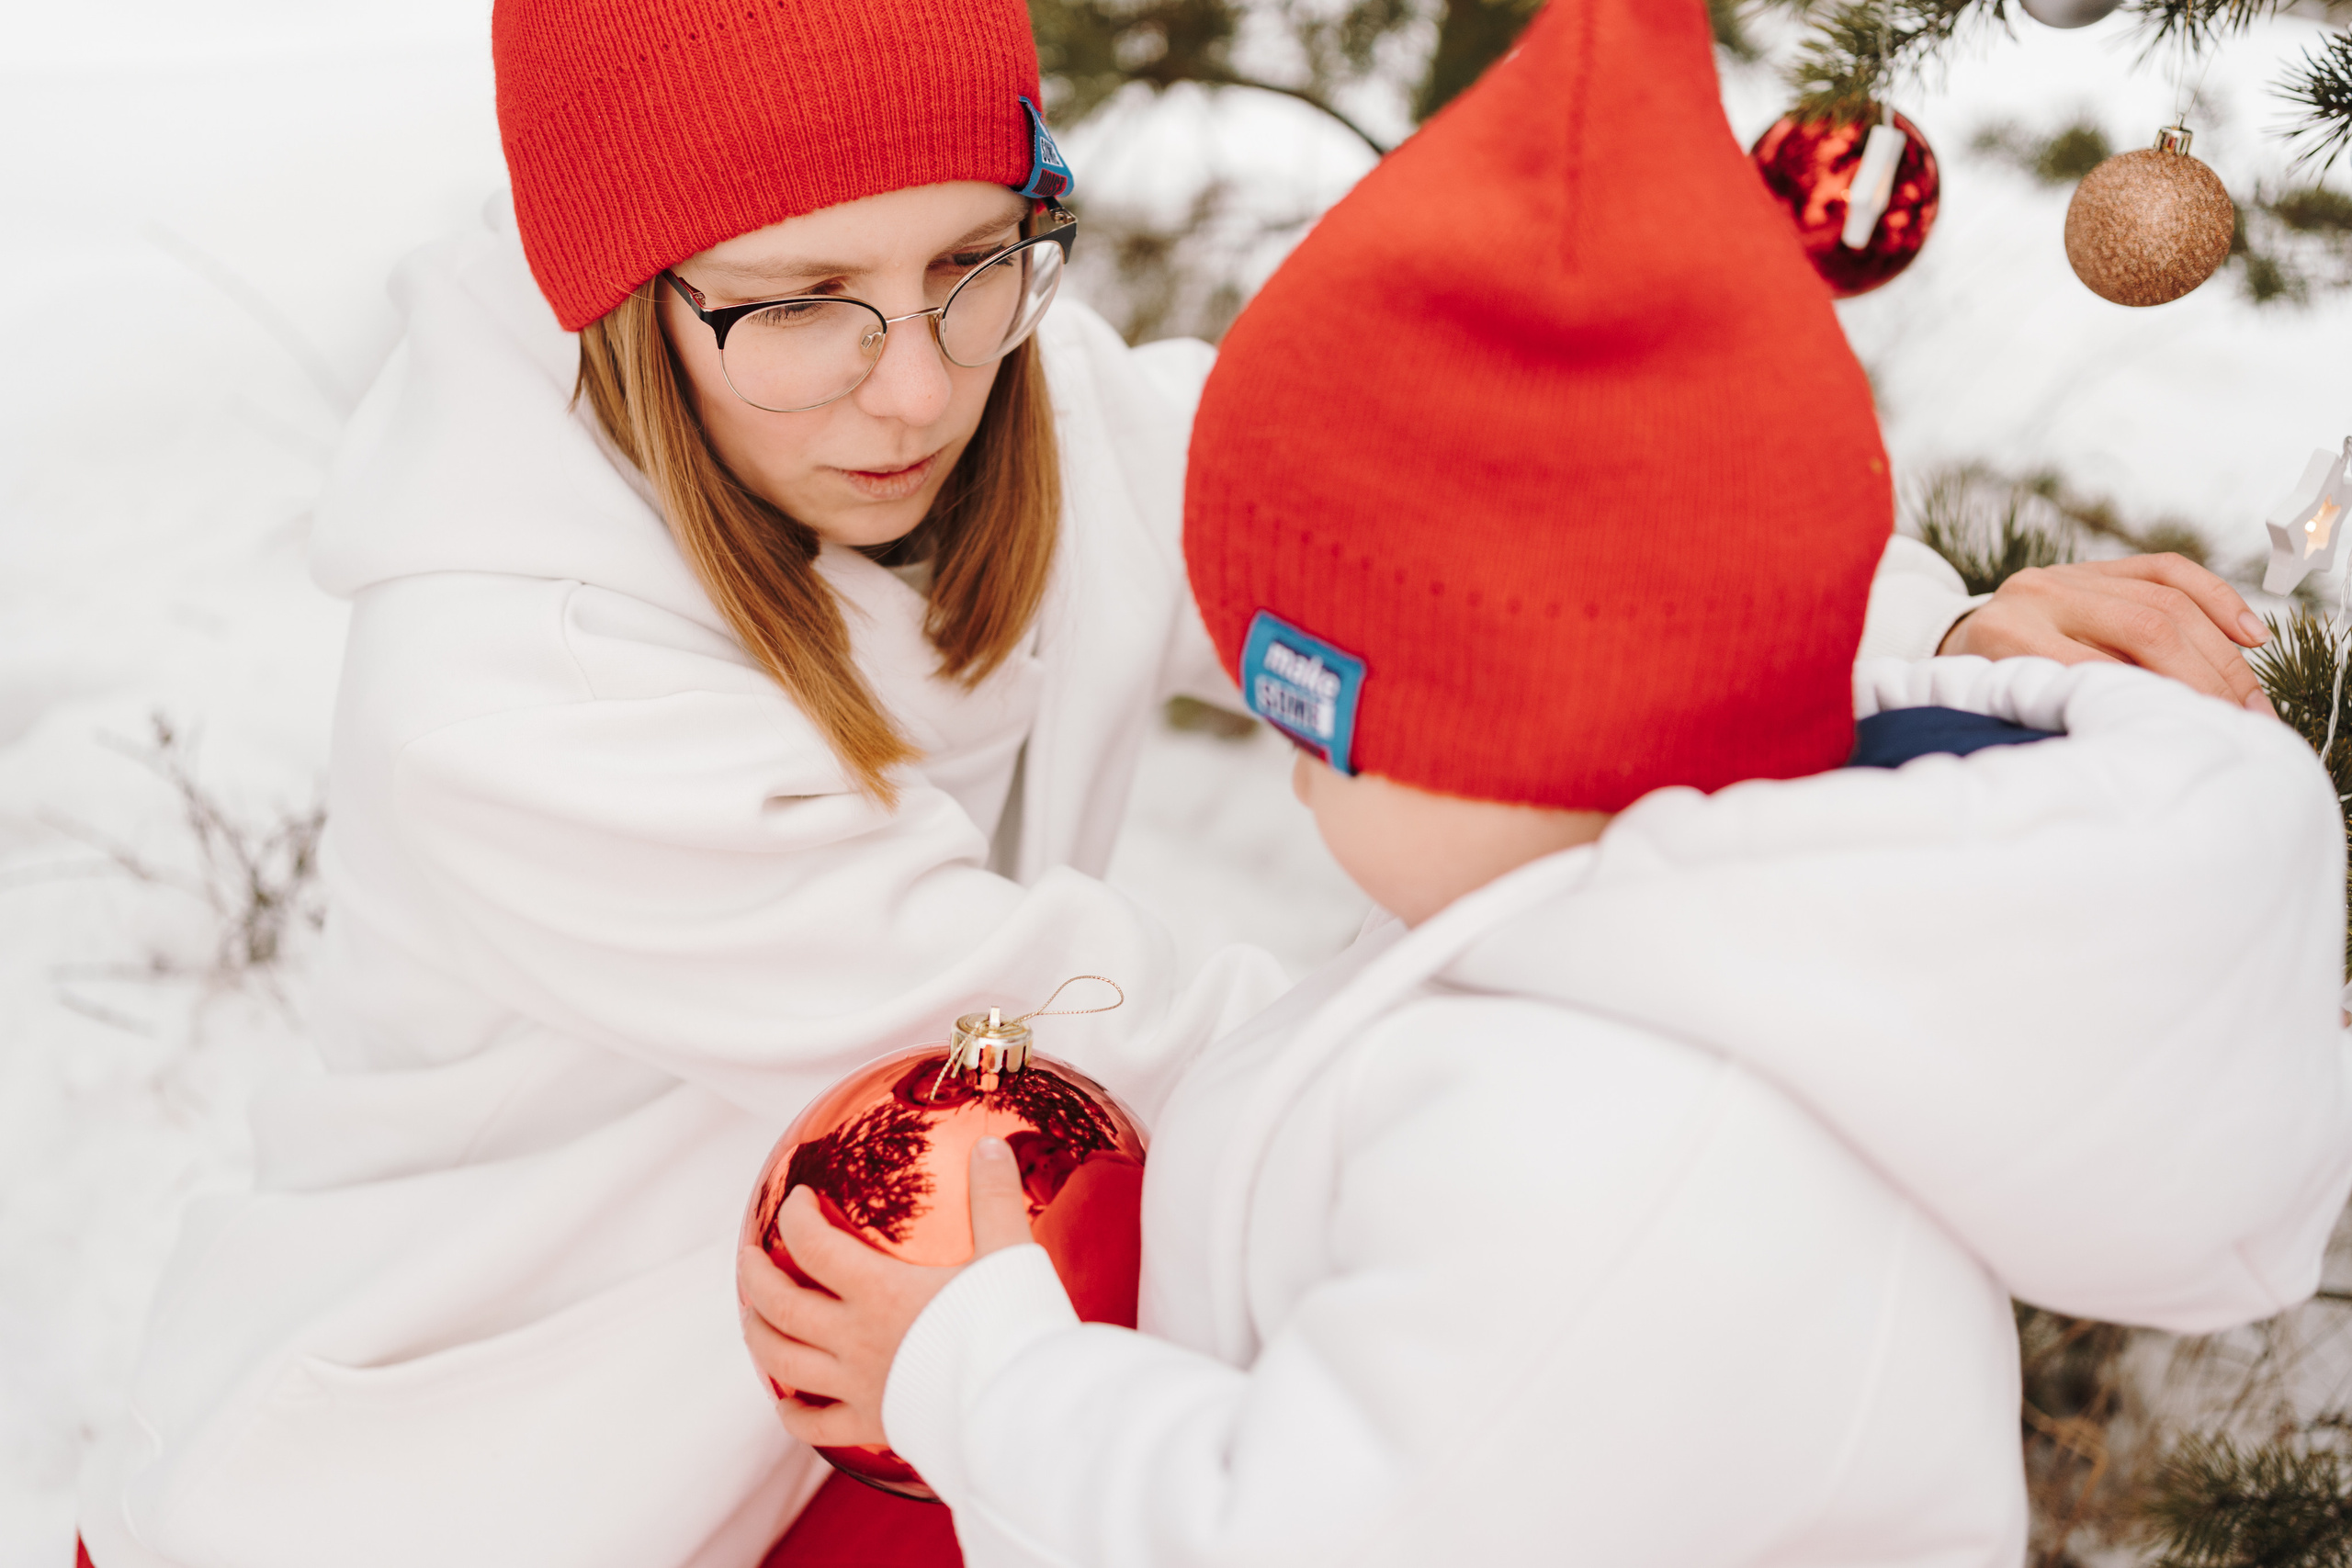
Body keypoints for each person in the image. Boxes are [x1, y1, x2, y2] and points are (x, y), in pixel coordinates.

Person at [74, 0, 2288, 1563]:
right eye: (805, 302)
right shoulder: (511, 689)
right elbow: (1068, 1022)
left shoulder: (1046, 438)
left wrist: (1909, 640)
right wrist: (1632, 1067)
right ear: (626, 299)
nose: (914, 378)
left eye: (971, 260)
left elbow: (1442, 511)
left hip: (876, 1376)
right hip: (487, 1465)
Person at [735, 4, 2352, 1563]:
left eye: (1314, 727)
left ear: (1520, 731)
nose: (1296, 788)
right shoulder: (1643, 943)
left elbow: (1301, 1538)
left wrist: (976, 1375)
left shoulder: (1611, 1128)